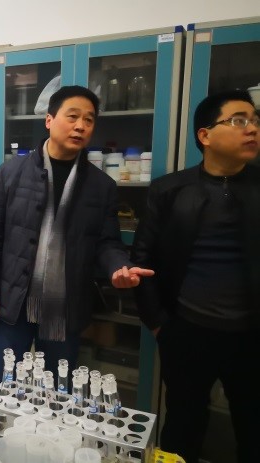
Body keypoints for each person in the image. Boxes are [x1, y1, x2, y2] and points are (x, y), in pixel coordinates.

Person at [0, 85, 153, 398]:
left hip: (65, 305)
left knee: (56, 393)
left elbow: (107, 242)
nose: (80, 126)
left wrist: (119, 267)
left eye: (89, 120)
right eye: (72, 116)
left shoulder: (101, 186)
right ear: (49, 120)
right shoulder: (11, 173)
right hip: (12, 299)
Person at [131, 89, 260, 463]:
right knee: (183, 426)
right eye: (238, 120)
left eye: (254, 120)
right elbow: (142, 259)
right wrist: (159, 324)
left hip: (252, 336)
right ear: (205, 135)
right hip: (187, 331)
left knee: (253, 427)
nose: (252, 128)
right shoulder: (170, 190)